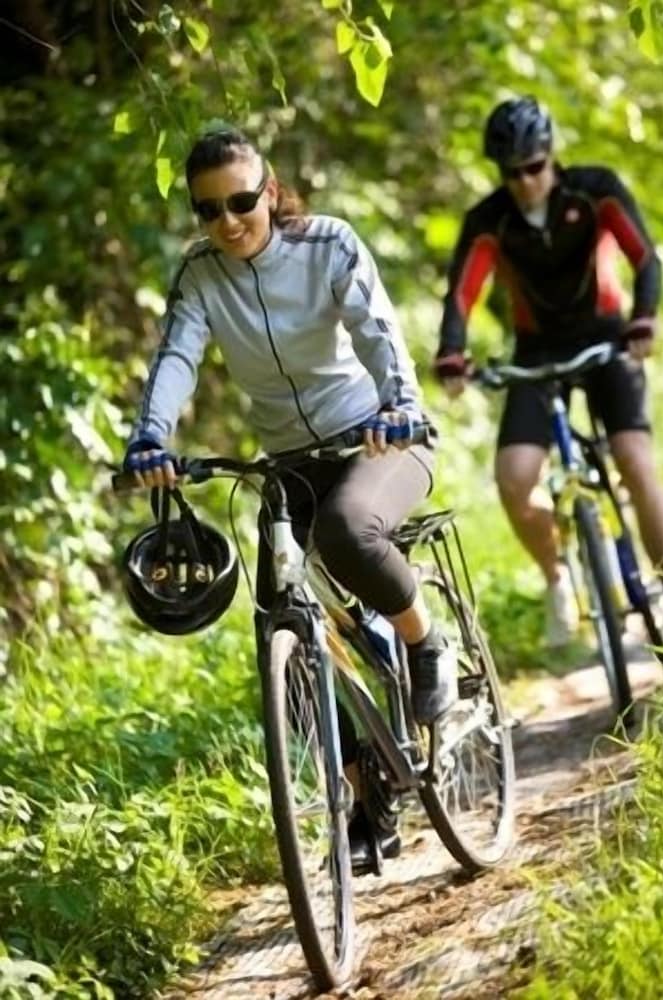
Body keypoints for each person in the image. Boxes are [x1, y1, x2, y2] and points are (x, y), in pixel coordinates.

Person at [123, 125, 457, 871]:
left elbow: (377, 329)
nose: (229, 220)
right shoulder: (202, 273)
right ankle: (365, 792)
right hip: (288, 462)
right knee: (284, 629)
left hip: (379, 439)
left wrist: (399, 403)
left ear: (269, 192)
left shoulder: (327, 245)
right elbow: (177, 353)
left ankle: (421, 638)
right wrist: (150, 438)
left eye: (242, 201)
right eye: (209, 210)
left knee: (343, 532)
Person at [434, 96, 663, 647]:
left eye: (534, 167)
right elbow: (462, 294)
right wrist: (451, 353)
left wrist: (642, 321)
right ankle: (557, 578)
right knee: (514, 478)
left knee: (634, 459)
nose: (525, 182)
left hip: (608, 336)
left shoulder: (595, 189)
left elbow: (645, 259)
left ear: (550, 155)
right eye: (512, 173)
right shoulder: (489, 219)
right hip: (536, 350)